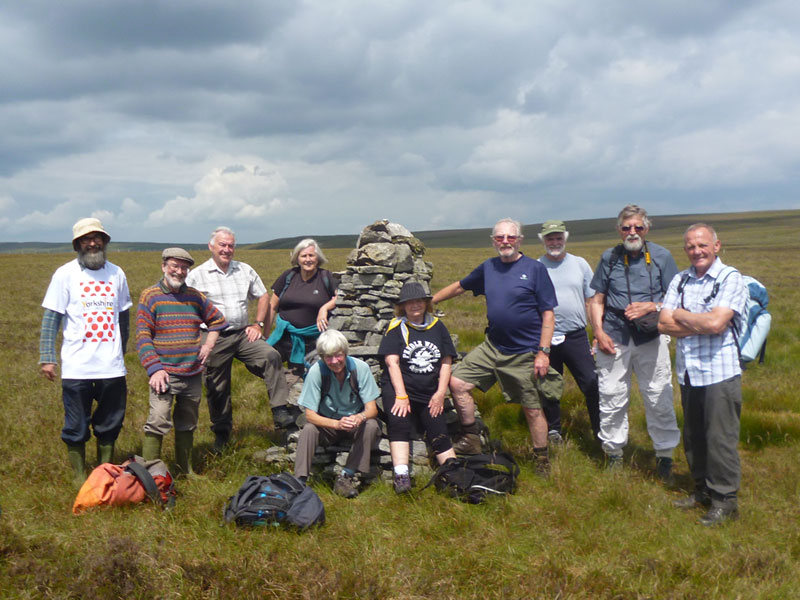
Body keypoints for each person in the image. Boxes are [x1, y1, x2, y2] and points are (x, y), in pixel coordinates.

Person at [432, 218, 561, 475]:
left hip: (525, 351)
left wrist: (543, 352)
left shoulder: (535, 269)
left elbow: (548, 314)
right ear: (493, 241)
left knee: (533, 409)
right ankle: (471, 438)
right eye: (500, 238)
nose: (505, 242)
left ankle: (541, 459)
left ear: (519, 240)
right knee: (457, 383)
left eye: (510, 237)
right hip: (493, 346)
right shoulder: (488, 268)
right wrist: (429, 302)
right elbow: (460, 286)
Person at [659, 224, 747, 526]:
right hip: (688, 372)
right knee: (694, 435)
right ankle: (702, 491)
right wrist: (701, 320)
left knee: (720, 438)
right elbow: (662, 323)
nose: (696, 251)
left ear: (716, 245)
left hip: (720, 372)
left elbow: (716, 325)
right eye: (690, 247)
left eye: (702, 245)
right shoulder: (680, 279)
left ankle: (725, 501)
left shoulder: (730, 278)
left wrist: (683, 315)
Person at [588, 205, 680, 479]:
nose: (632, 232)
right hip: (613, 335)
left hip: (651, 334)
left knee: (658, 395)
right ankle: (614, 452)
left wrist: (651, 305)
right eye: (626, 227)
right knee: (612, 395)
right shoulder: (610, 257)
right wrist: (598, 332)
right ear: (619, 230)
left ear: (646, 229)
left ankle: (665, 455)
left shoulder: (662, 256)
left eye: (638, 227)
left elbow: (676, 298)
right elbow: (597, 299)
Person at [39, 218, 132, 485]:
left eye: (97, 238)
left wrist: (120, 352)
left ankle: (105, 472)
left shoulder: (117, 274)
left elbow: (123, 317)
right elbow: (51, 318)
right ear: (77, 244)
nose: (92, 243)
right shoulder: (64, 274)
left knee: (110, 423)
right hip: (77, 366)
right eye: (85, 239)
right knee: (76, 425)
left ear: (104, 241)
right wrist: (47, 358)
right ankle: (80, 478)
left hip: (111, 367)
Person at [186, 226, 293, 451]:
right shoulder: (197, 275)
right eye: (222, 245)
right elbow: (187, 306)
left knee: (270, 356)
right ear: (211, 247)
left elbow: (263, 295)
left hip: (243, 333)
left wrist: (259, 324)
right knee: (217, 386)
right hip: (215, 336)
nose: (227, 250)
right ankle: (222, 433)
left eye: (230, 246)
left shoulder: (244, 270)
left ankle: (280, 410)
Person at [137, 248, 228, 475]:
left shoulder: (195, 297)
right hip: (164, 373)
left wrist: (208, 345)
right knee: (158, 420)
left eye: (184, 267)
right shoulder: (150, 296)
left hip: (192, 372)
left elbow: (218, 320)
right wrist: (154, 369)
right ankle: (149, 474)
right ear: (164, 266)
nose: (179, 272)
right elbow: (142, 336)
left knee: (188, 422)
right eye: (174, 266)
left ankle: (185, 470)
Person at [378, 281, 458, 494]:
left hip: (430, 390)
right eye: (409, 302)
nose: (415, 305)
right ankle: (401, 475)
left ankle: (454, 476)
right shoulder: (397, 327)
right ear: (402, 306)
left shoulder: (437, 326)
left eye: (419, 301)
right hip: (400, 387)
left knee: (438, 427)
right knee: (398, 420)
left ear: (426, 303)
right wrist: (401, 396)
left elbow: (446, 361)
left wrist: (441, 393)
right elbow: (391, 362)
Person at [294, 329, 381, 498]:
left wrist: (359, 417)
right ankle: (299, 481)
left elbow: (372, 409)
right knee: (309, 429)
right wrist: (336, 424)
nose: (334, 361)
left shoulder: (360, 368)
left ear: (345, 352)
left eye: (338, 355)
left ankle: (346, 476)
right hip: (328, 424)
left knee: (371, 425)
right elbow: (310, 415)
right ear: (322, 357)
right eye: (328, 357)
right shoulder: (316, 372)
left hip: (355, 423)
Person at [537, 220, 601, 443]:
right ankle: (554, 431)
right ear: (543, 240)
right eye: (550, 238)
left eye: (558, 238)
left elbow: (591, 300)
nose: (554, 242)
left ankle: (600, 430)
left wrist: (597, 334)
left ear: (565, 238)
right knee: (549, 386)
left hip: (576, 335)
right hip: (546, 338)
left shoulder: (580, 264)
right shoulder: (536, 266)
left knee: (592, 383)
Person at [267, 238, 338, 384]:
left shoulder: (326, 277)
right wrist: (266, 335)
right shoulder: (288, 276)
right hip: (285, 337)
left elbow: (340, 298)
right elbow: (272, 306)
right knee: (262, 360)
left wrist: (324, 308)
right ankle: (282, 393)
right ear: (297, 259)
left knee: (316, 377)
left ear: (318, 258)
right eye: (303, 256)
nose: (308, 259)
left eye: (311, 255)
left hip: (314, 340)